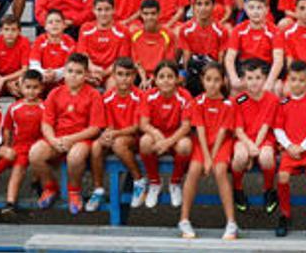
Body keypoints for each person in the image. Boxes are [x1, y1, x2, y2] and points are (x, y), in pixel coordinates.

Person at [31, 53, 105, 213]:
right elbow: (46, 123)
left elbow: (95, 128)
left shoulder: (94, 95)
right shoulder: (54, 93)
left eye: (79, 72)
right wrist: (52, 140)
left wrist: (71, 139)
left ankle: (74, 191)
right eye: (70, 71)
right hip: (58, 137)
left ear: (86, 75)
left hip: (81, 138)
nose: (73, 76)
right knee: (35, 153)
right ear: (64, 72)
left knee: (75, 156)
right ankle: (50, 187)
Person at [177, 63, 240, 240]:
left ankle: (231, 223)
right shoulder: (197, 102)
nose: (212, 84)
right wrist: (206, 157)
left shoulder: (229, 104)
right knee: (193, 170)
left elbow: (222, 132)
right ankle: (184, 219)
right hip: (202, 143)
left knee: (220, 171)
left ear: (223, 81)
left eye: (217, 80)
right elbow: (200, 130)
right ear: (202, 81)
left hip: (221, 144)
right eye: (208, 80)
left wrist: (211, 159)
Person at [271, 60, 306, 238]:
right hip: (290, 150)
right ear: (287, 80)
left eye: (301, 80)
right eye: (293, 79)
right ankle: (285, 215)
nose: (297, 84)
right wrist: (288, 146)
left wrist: (302, 147)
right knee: (282, 176)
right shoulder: (284, 102)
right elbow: (278, 129)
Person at [87, 59, 144, 212]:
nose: (124, 78)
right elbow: (105, 123)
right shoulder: (106, 97)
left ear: (134, 76)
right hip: (114, 136)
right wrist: (106, 133)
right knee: (96, 146)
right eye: (120, 74)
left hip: (133, 139)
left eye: (128, 74)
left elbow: (136, 127)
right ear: (113, 76)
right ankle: (98, 189)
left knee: (119, 144)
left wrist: (115, 133)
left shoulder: (140, 96)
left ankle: (139, 180)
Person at [137, 61, 194, 209]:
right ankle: (155, 182)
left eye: (170, 76)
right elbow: (144, 124)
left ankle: (175, 182)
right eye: (161, 76)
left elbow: (186, 126)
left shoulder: (185, 96)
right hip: (157, 137)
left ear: (177, 79)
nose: (166, 80)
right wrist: (157, 135)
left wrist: (168, 142)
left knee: (185, 145)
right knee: (144, 142)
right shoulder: (148, 96)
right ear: (155, 79)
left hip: (175, 136)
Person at [229, 60, 280, 212]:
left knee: (266, 157)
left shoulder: (272, 99)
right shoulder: (238, 100)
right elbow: (238, 130)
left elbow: (265, 127)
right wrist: (249, 149)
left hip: (264, 139)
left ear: (264, 79)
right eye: (250, 78)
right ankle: (237, 189)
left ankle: (269, 190)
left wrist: (254, 151)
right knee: (239, 157)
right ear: (243, 81)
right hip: (243, 138)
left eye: (258, 78)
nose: (254, 82)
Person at [0, 70, 46, 215]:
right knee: (18, 170)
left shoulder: (45, 107)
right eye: (28, 87)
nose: (31, 91)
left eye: (35, 87)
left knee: (40, 164)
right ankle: (10, 202)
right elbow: (7, 128)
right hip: (21, 146)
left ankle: (39, 187)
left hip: (38, 146)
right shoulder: (14, 107)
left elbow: (48, 128)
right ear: (21, 87)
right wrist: (7, 144)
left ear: (41, 88)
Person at [225, 0, 284, 92]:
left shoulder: (275, 31)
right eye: (251, 8)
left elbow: (278, 60)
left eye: (259, 8)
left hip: (265, 67)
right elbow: (229, 57)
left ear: (266, 10)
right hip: (245, 67)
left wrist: (269, 82)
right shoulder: (238, 30)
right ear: (246, 9)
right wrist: (234, 78)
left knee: (277, 87)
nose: (255, 12)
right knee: (234, 88)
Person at [179, 0, 232, 96]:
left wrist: (222, 76)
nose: (203, 8)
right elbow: (186, 57)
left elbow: (221, 58)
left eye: (207, 4)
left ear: (213, 6)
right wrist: (184, 75)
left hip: (213, 71)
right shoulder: (186, 29)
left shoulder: (221, 30)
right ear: (193, 7)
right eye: (199, 4)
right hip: (194, 71)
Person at [76, 0, 132, 89]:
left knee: (114, 84)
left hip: (113, 72)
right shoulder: (86, 28)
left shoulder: (123, 31)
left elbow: (121, 60)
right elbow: (83, 55)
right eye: (99, 10)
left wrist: (104, 72)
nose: (103, 13)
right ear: (93, 11)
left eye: (107, 9)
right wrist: (92, 69)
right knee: (78, 79)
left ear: (114, 10)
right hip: (90, 71)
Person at [0, 15, 31, 98]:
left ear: (19, 31)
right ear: (1, 31)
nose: (10, 33)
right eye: (6, 29)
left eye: (13, 30)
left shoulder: (24, 42)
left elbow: (25, 69)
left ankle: (21, 108)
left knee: (24, 82)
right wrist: (2, 80)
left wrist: (4, 80)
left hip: (15, 80)